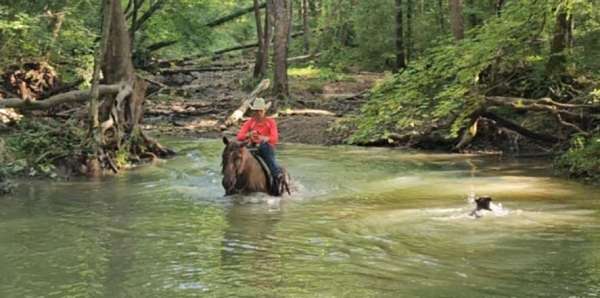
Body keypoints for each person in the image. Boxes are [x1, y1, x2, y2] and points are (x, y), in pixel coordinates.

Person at [236, 98, 282, 182]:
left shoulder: (270, 122)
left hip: (266, 147)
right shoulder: (249, 122)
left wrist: (264, 138)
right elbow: (239, 137)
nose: (258, 113)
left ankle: (276, 175)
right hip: (251, 147)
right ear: (253, 112)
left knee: (265, 149)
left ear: (264, 111)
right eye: (256, 111)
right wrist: (249, 135)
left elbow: (274, 138)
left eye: (260, 111)